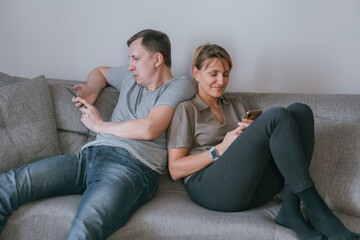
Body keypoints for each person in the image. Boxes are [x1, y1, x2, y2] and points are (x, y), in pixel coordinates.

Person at [0, 29, 195, 240]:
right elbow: (100, 71)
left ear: (157, 59)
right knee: (8, 184)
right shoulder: (131, 77)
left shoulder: (179, 85)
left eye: (136, 59)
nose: (130, 65)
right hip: (88, 157)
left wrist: (100, 126)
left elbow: (150, 128)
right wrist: (93, 89)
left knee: (85, 230)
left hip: (131, 168)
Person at [166, 43, 360, 240]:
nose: (221, 81)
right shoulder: (186, 110)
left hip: (249, 188)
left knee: (301, 111)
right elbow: (175, 169)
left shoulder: (237, 104)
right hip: (211, 189)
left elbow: (255, 151)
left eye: (226, 74)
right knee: (276, 115)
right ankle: (318, 211)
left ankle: (290, 211)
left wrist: (251, 134)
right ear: (196, 73)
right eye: (213, 74)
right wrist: (221, 148)